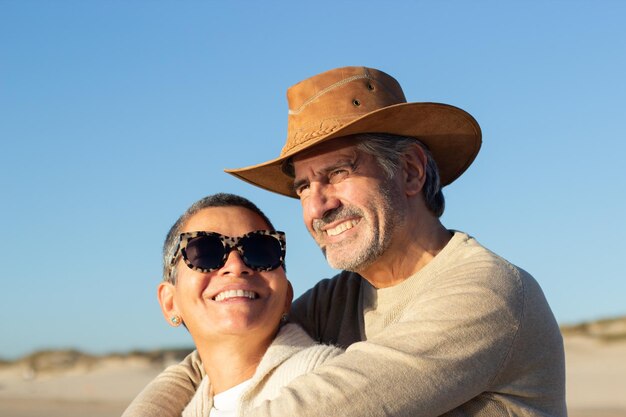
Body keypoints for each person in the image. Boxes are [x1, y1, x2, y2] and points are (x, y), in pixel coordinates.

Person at [124, 66, 566, 416]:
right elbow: (204, 363)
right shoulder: (340, 298)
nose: (318, 206)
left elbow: (312, 409)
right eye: (302, 188)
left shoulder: (483, 294)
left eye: (338, 173)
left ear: (410, 171)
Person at [150, 193, 342, 417]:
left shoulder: (334, 381)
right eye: (205, 252)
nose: (236, 265)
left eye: (260, 250)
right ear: (170, 303)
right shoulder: (188, 408)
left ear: (287, 297)